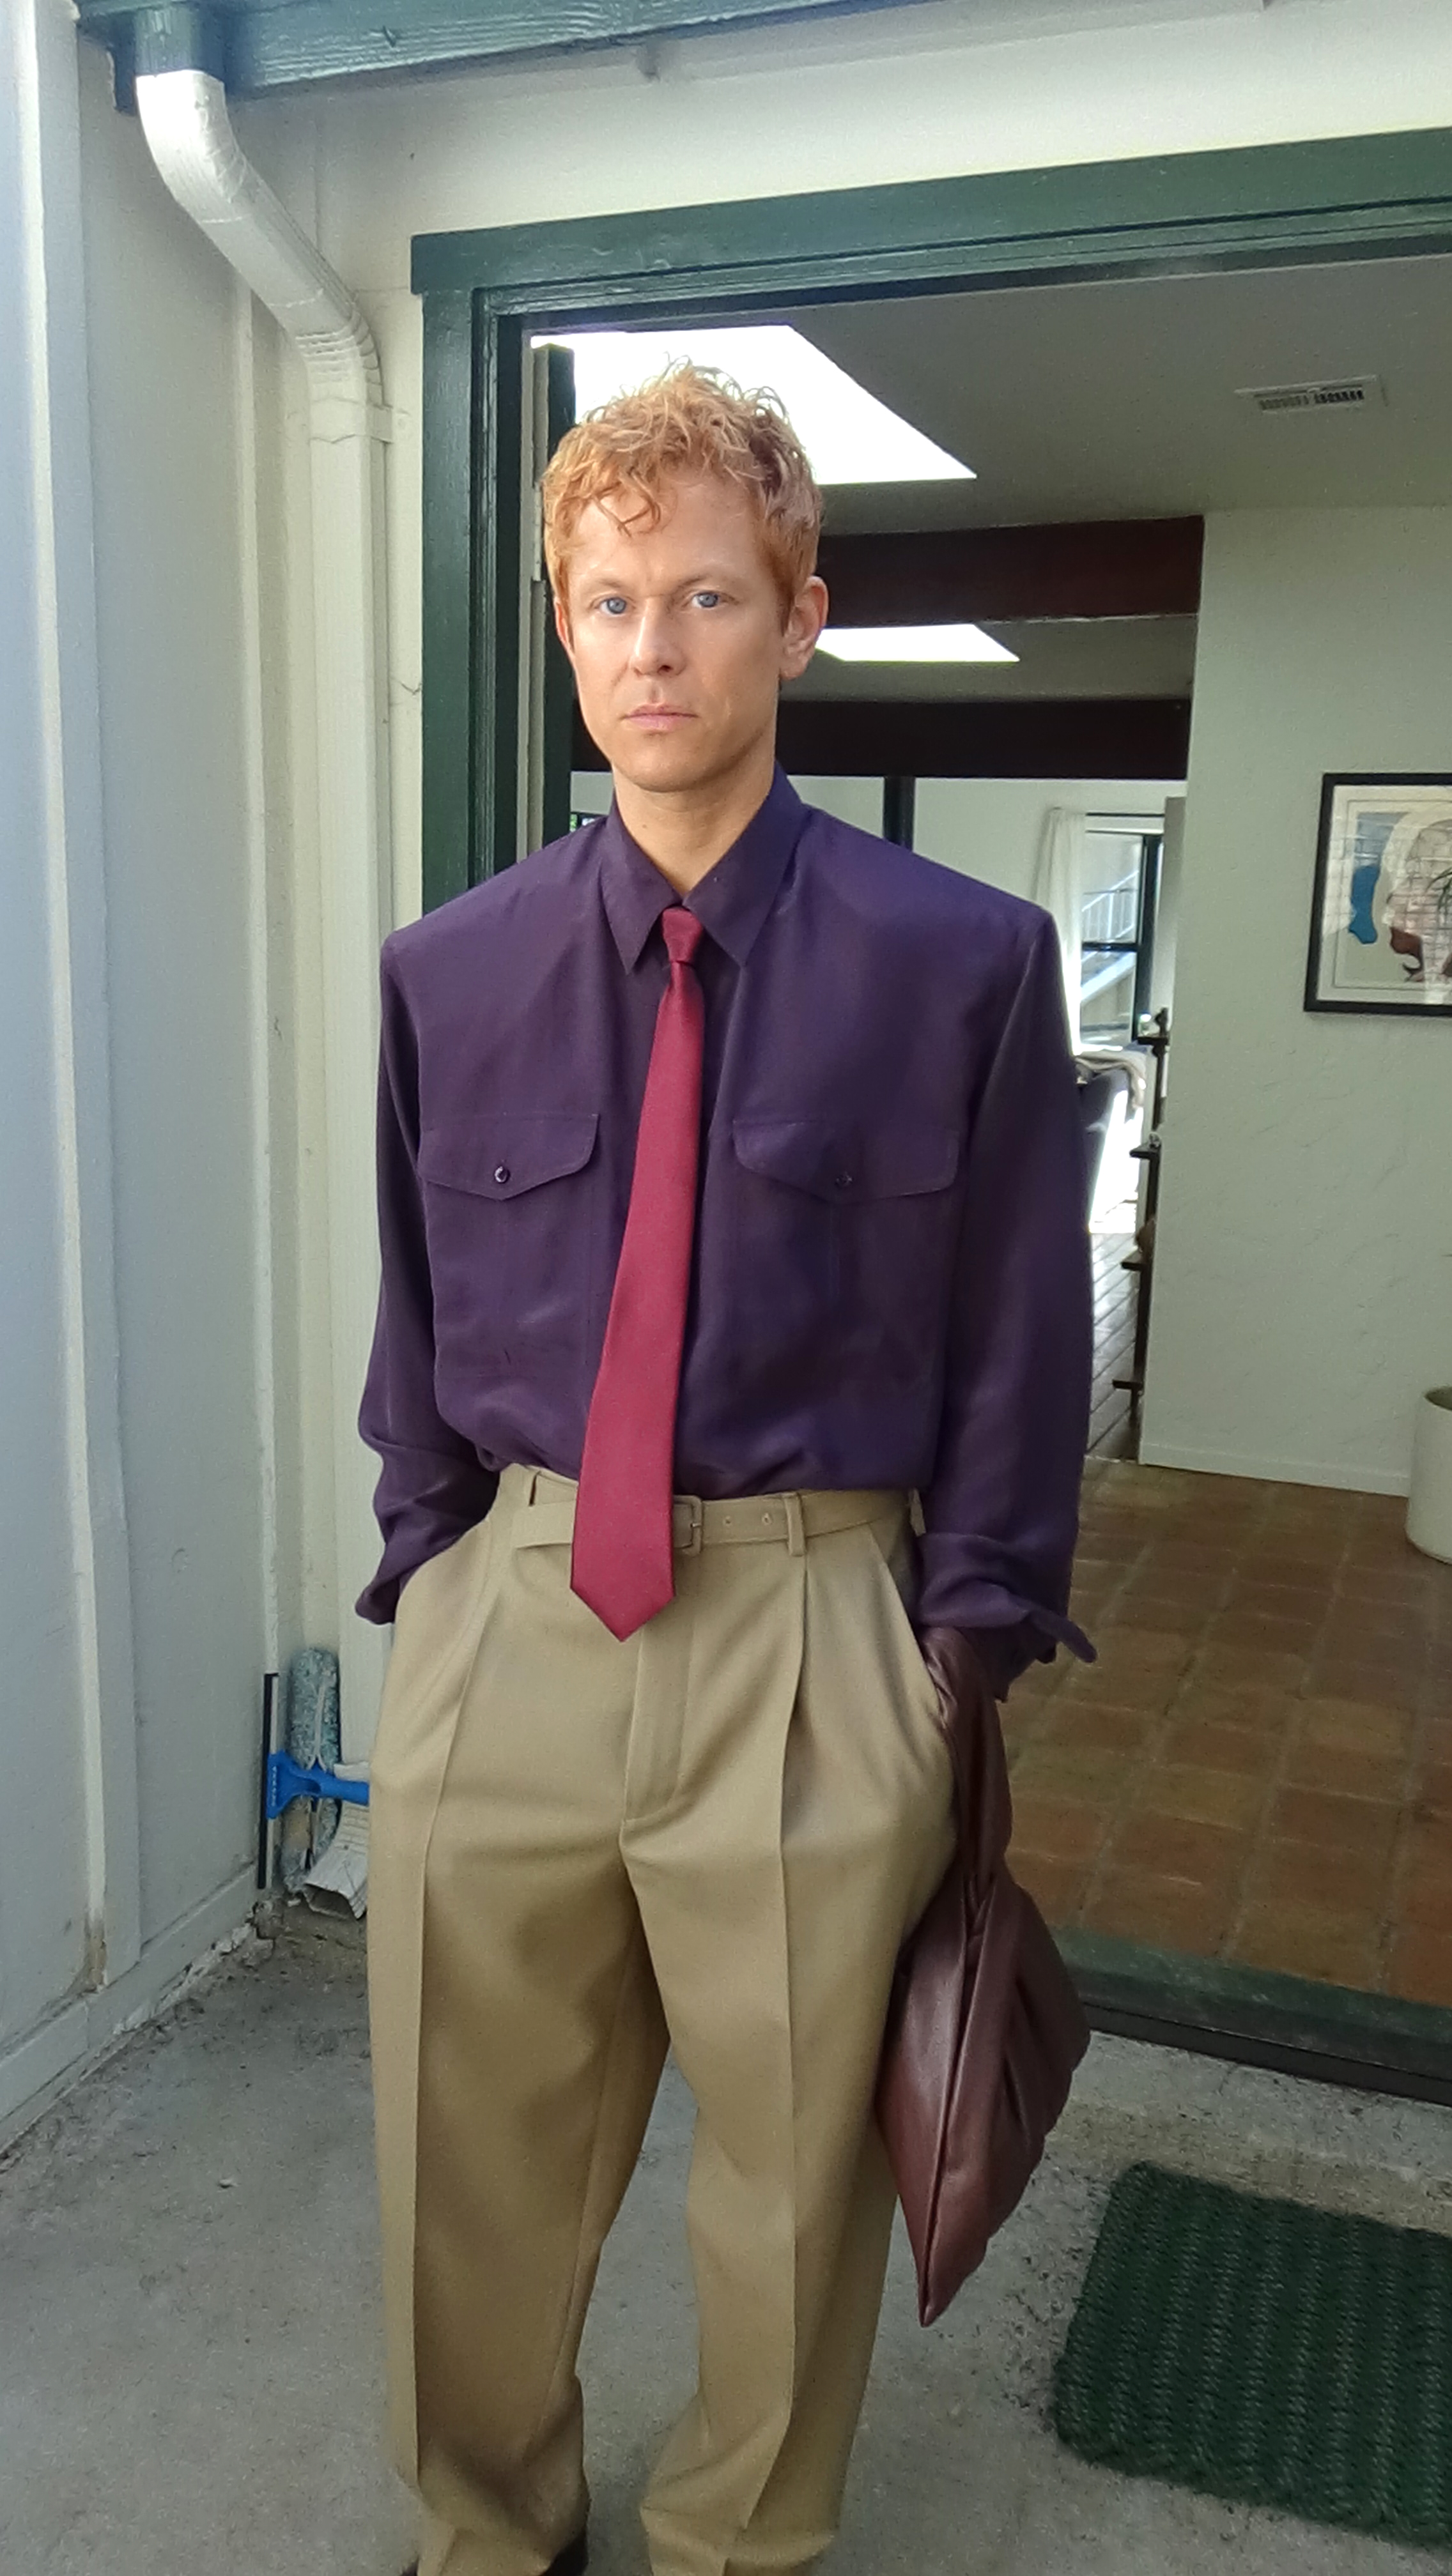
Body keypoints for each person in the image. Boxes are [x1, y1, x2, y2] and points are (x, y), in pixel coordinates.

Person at [358, 362, 1092, 2576]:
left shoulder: (961, 968)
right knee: (462, 2168)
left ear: (798, 614)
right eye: (607, 603)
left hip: (809, 1627)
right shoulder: (448, 974)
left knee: (788, 2196)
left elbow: (1020, 1343)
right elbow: (415, 1315)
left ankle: (734, 2550)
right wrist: (433, 1583)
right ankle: (491, 2532)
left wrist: (953, 1657)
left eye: (703, 596)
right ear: (566, 636)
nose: (653, 648)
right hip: (519, 1618)